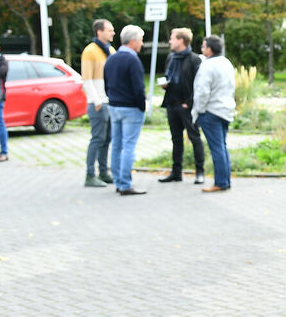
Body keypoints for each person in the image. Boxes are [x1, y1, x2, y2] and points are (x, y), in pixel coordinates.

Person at [103, 25, 149, 195]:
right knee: (129, 146)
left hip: (114, 106)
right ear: (133, 41)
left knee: (116, 145)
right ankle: (125, 184)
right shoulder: (132, 60)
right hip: (130, 108)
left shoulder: (111, 59)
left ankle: (118, 181)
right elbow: (138, 88)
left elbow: (107, 83)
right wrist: (142, 106)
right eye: (141, 40)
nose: (142, 44)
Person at [158, 27, 205, 184]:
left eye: (172, 38)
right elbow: (168, 76)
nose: (170, 41)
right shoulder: (171, 58)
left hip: (187, 107)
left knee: (194, 138)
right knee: (176, 139)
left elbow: (198, 85)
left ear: (181, 40)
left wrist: (189, 103)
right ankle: (176, 172)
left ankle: (200, 172)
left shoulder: (194, 59)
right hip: (172, 104)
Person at [192, 34, 235, 193]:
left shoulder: (207, 66)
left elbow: (202, 91)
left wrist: (198, 110)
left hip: (211, 111)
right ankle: (225, 180)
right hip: (225, 110)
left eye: (203, 46)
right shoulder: (227, 63)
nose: (202, 50)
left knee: (216, 148)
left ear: (209, 49)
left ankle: (221, 182)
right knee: (222, 147)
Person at [81, 20, 115, 186]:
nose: (112, 33)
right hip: (98, 103)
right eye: (109, 30)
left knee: (107, 138)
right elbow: (86, 79)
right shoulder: (90, 51)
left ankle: (103, 171)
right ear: (99, 32)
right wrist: (96, 101)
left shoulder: (111, 50)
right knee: (97, 138)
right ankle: (90, 174)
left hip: (110, 101)